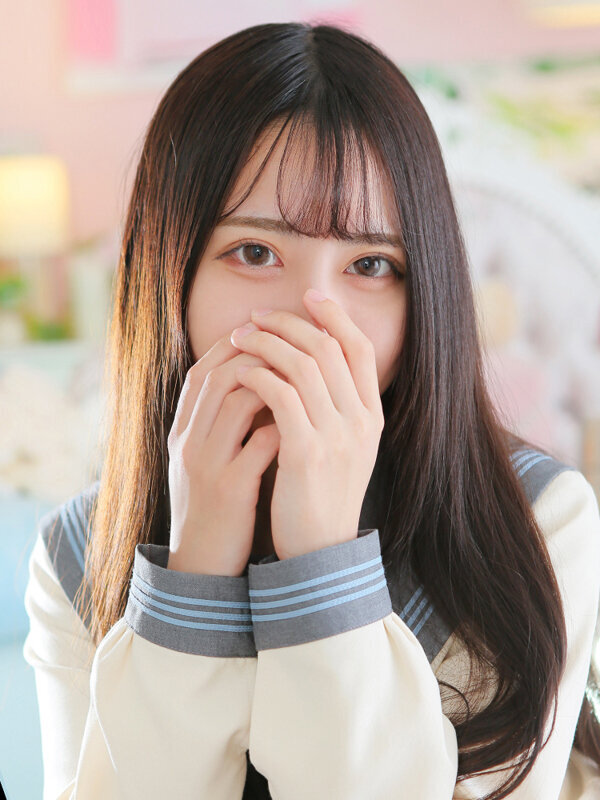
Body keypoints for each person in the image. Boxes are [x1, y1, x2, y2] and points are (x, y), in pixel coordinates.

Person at [22, 21, 600, 800]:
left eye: (371, 264)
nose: (314, 317)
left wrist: (321, 562)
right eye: (255, 253)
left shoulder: (534, 524)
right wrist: (194, 572)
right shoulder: (78, 556)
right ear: (171, 273)